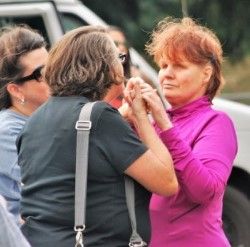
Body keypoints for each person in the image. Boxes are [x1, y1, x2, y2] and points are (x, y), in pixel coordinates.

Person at [16, 26, 178, 247]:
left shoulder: (33, 121)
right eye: (118, 57)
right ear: (105, 66)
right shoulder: (100, 117)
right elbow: (167, 182)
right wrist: (141, 116)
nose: (122, 63)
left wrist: (123, 116)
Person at [124, 17, 238, 247]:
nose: (167, 74)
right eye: (164, 65)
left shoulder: (216, 121)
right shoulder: (157, 122)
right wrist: (128, 119)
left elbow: (205, 191)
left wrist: (164, 124)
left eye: (179, 66)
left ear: (206, 74)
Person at [0, 25, 50, 224]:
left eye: (53, 66)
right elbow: (51, 187)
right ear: (16, 90)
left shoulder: (44, 119)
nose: (54, 76)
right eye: (41, 73)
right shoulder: (7, 132)